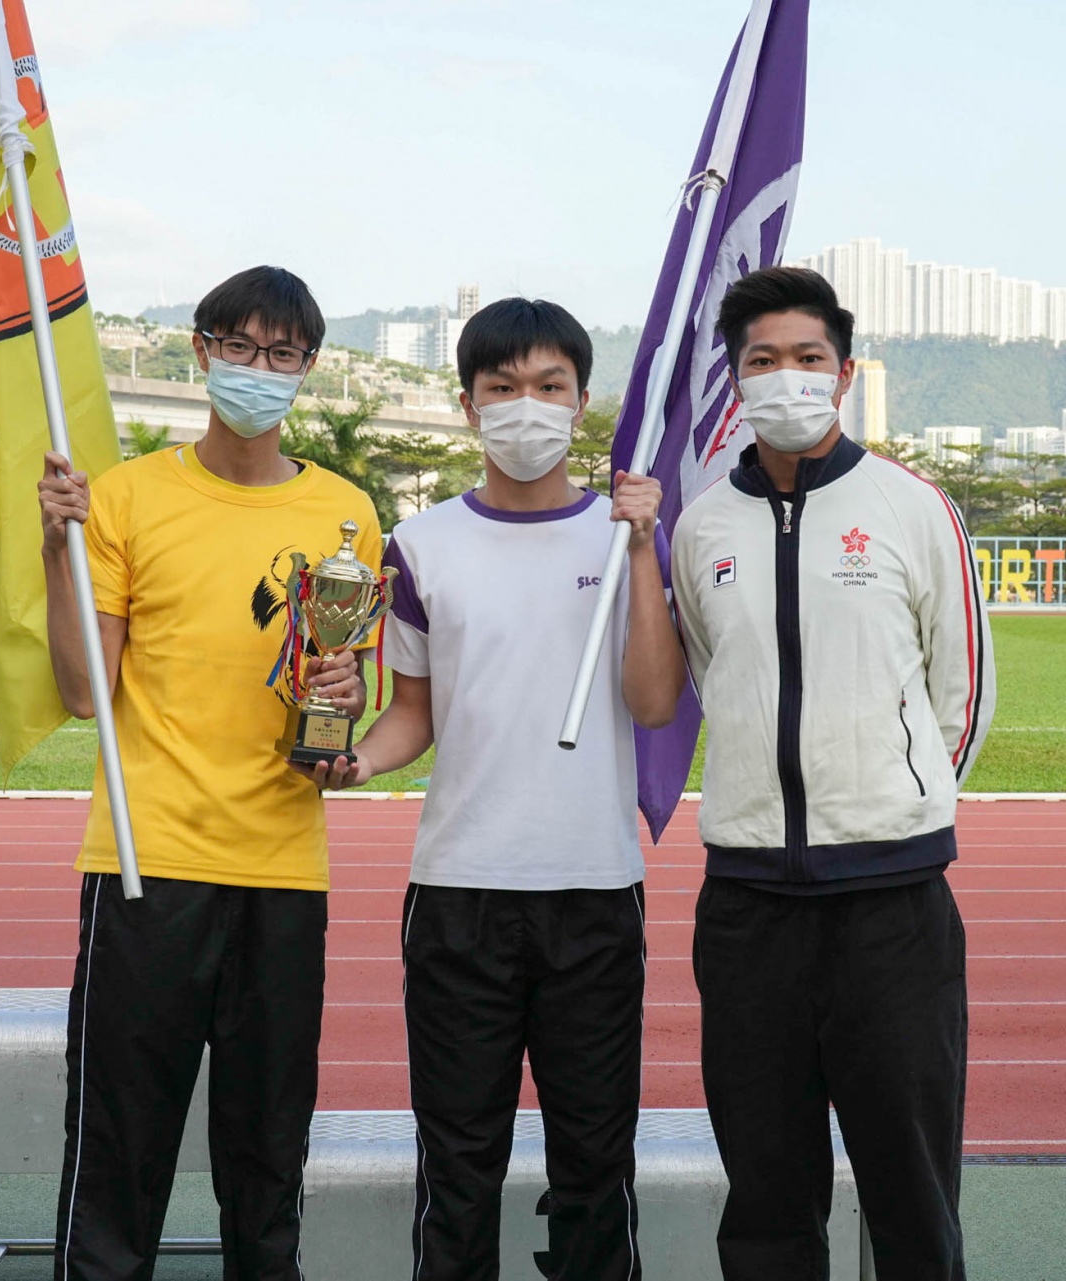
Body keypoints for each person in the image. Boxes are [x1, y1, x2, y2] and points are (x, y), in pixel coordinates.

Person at [311, 297, 686, 1279]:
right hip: (460, 895)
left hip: (592, 891)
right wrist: (358, 760)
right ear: (469, 406)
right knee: (458, 1166)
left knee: (595, 1165)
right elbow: (414, 713)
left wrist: (639, 548)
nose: (528, 406)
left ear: (581, 401)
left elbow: (655, 702)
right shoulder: (421, 545)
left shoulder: (623, 536)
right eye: (504, 387)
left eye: (549, 386)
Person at [37, 265, 382, 1280]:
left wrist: (343, 692)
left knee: (268, 1152)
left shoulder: (347, 512)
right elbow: (83, 692)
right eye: (239, 347)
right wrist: (57, 551)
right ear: (201, 350)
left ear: (308, 367)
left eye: (282, 354)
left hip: (283, 867)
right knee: (120, 1145)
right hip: (149, 860)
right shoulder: (126, 498)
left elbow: (348, 689)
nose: (258, 370)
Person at [670, 266, 996, 1280]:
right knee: (766, 1202)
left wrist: (902, 803)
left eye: (808, 358)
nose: (788, 378)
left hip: (891, 906)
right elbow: (711, 677)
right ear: (737, 381)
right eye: (764, 361)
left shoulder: (912, 507)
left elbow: (962, 689)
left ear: (844, 373)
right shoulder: (700, 527)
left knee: (912, 1193)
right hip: (748, 908)